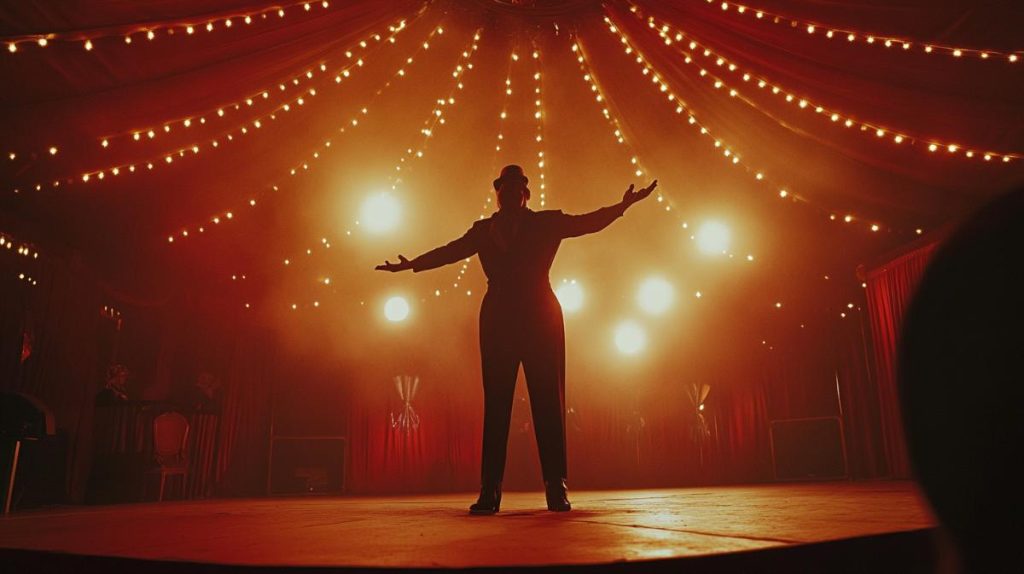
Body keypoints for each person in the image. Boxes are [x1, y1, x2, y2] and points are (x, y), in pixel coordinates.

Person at [376, 164, 657, 514]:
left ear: (525, 194)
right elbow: (450, 251)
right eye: (502, 189)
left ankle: (556, 486)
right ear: (497, 194)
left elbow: (587, 223)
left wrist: (622, 206)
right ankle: (490, 490)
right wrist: (411, 265)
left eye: (514, 189)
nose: (507, 194)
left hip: (540, 315)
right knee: (497, 405)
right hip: (498, 319)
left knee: (548, 402)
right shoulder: (483, 229)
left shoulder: (546, 222)